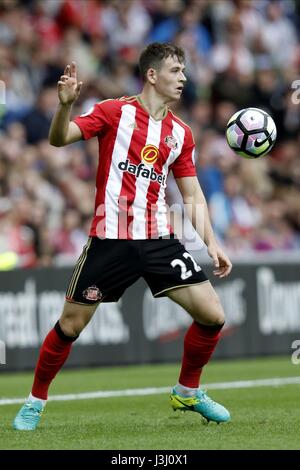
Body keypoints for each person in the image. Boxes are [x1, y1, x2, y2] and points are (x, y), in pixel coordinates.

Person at [13, 42, 232, 431]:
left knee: (213, 315)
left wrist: (211, 243)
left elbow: (192, 192)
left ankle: (187, 390)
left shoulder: (180, 133)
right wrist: (64, 106)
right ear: (152, 75)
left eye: (183, 71)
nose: (183, 78)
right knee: (70, 326)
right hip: (110, 239)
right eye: (175, 71)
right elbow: (59, 140)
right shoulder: (114, 112)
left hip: (158, 238)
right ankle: (34, 401)